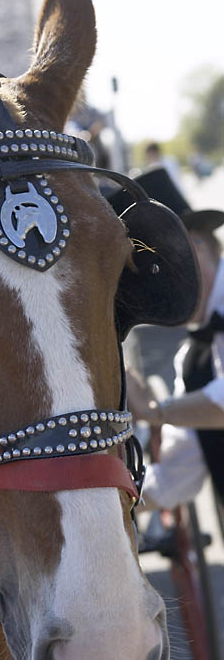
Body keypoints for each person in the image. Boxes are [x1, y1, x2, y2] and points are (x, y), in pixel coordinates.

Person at [122, 167, 224, 510]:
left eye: (153, 269)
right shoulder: (193, 359)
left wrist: (155, 411)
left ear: (192, 247)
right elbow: (173, 481)